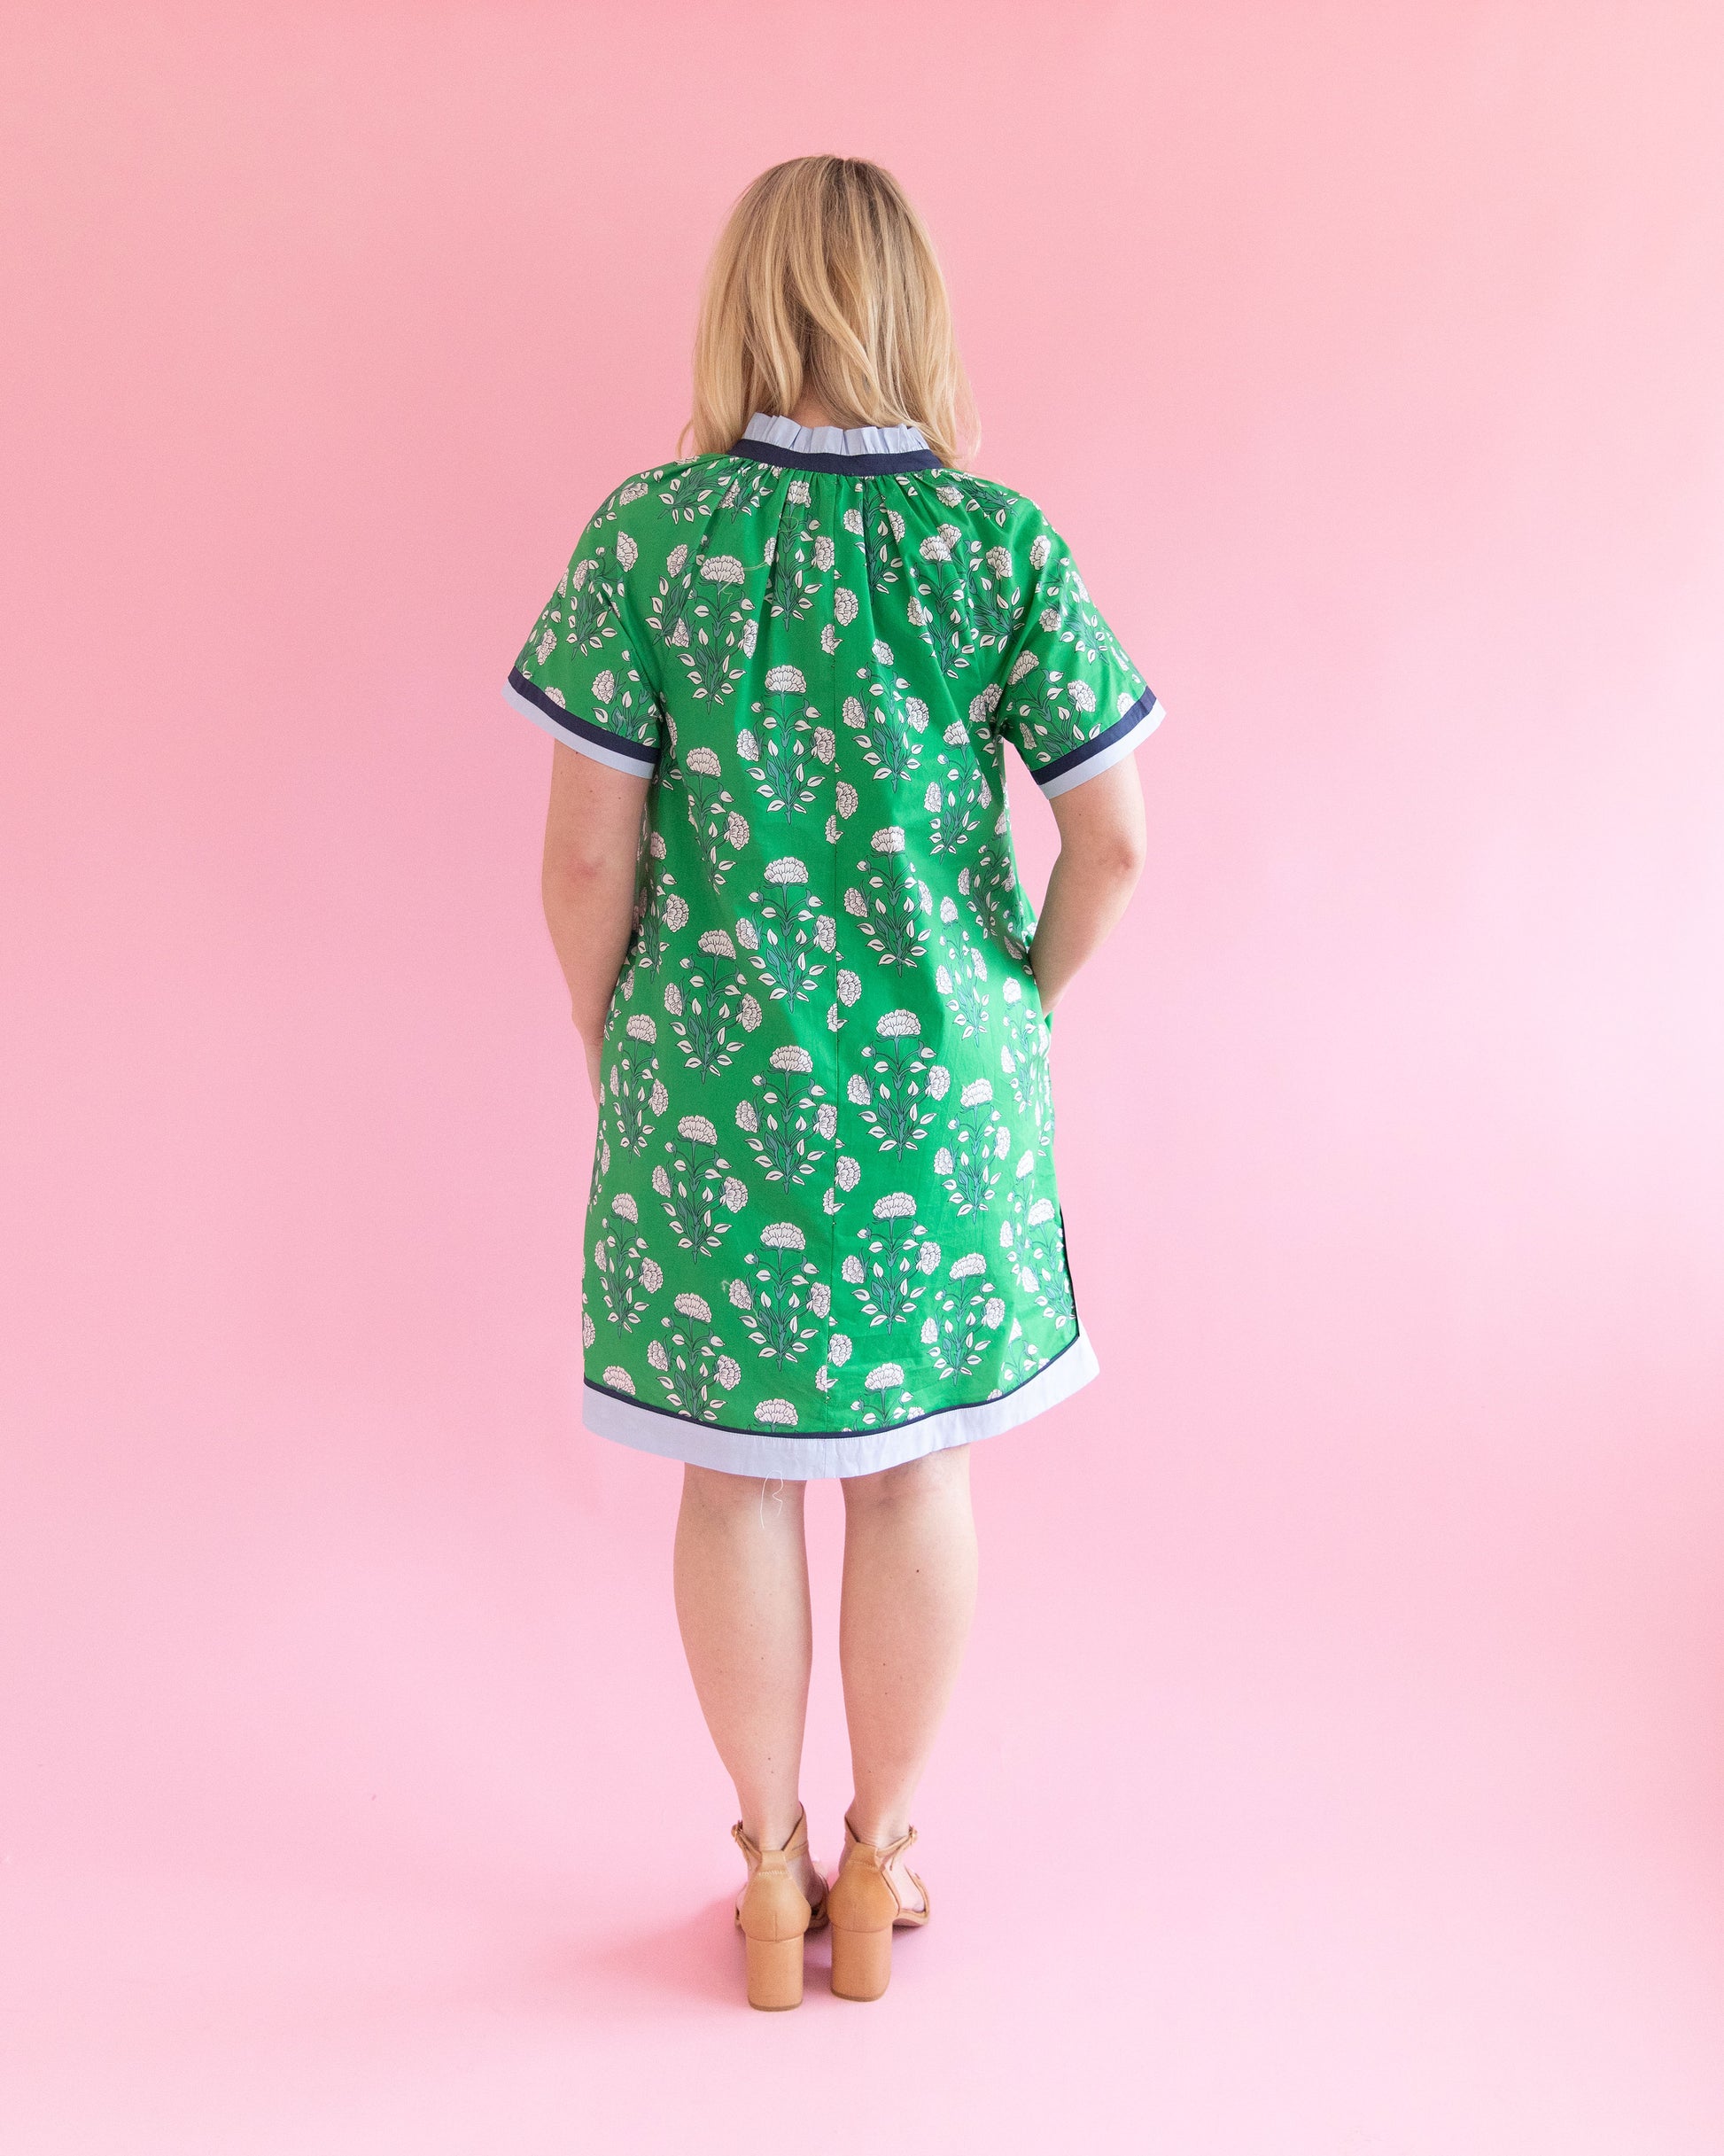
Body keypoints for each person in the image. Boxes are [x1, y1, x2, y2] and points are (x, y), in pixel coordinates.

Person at [505, 155, 1164, 2009]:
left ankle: (767, 1868)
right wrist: (1015, 1007)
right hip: (944, 1093)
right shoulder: (997, 546)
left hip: (705, 1091)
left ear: (736, 308)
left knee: (733, 1477)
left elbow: (582, 860)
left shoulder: (649, 537)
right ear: (913, 310)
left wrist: (614, 1041)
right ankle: (880, 1860)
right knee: (912, 1470)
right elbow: (1114, 842)